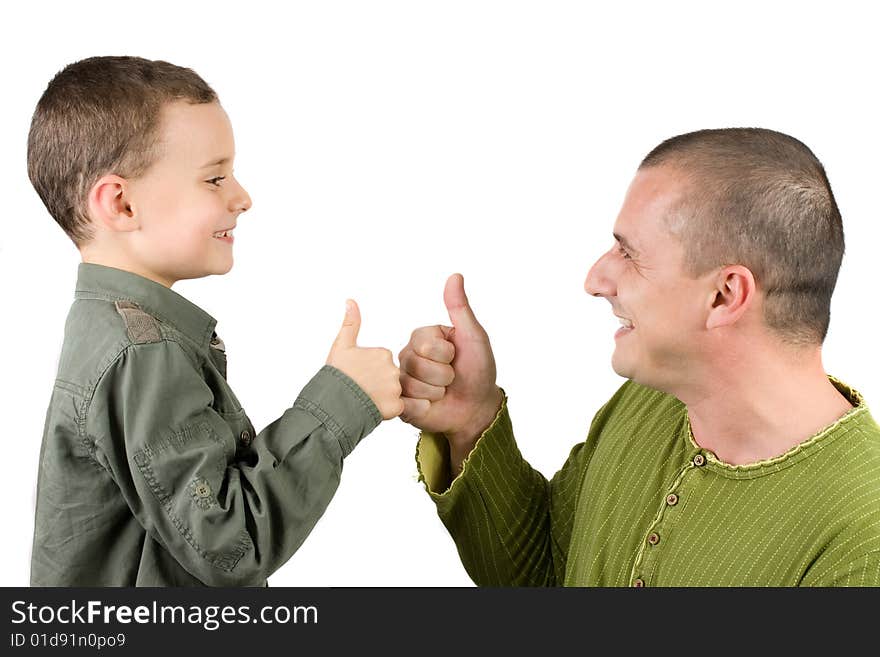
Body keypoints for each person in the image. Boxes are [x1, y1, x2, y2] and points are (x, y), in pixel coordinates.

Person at [398, 128, 880, 586]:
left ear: (725, 295)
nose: (595, 279)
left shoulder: (864, 538)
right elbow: (545, 576)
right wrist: (471, 422)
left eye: (629, 254)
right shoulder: (648, 401)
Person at [27, 56, 403, 586]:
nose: (242, 197)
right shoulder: (141, 352)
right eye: (215, 178)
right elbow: (231, 543)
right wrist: (343, 400)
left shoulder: (108, 329)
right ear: (122, 204)